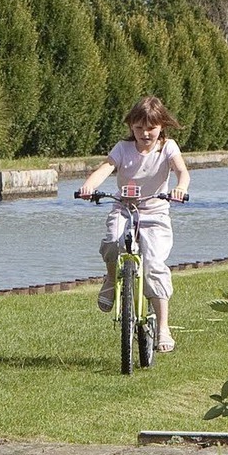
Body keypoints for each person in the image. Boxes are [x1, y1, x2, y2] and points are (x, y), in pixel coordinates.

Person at [78, 95, 191, 353]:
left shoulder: (168, 148)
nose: (145, 134)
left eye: (150, 128)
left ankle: (163, 327)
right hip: (124, 209)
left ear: (161, 125)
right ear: (131, 127)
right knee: (111, 242)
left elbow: (182, 171)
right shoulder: (122, 148)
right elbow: (105, 168)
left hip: (155, 212)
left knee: (153, 265)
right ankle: (110, 278)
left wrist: (180, 188)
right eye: (138, 128)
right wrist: (89, 186)